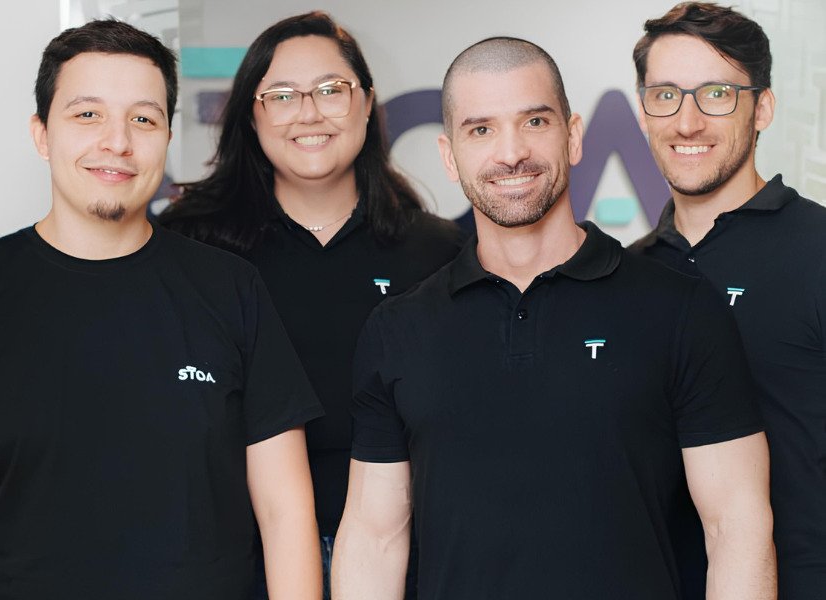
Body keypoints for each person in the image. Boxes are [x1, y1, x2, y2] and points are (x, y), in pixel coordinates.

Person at [332, 36, 776, 600]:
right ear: (449, 155)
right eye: (481, 129)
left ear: (573, 136)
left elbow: (737, 527)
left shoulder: (681, 309)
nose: (511, 152)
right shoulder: (397, 329)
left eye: (535, 121)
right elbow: (374, 539)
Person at [0, 19, 323, 600]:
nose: (117, 142)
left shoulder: (231, 289)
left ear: (167, 138)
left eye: (143, 119)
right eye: (88, 114)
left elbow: (285, 514)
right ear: (42, 134)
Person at [158, 12, 464, 598]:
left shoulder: (437, 250)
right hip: (236, 559)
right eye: (281, 96)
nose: (308, 113)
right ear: (251, 114)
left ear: (367, 102)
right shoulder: (192, 245)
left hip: (405, 558)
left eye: (330, 90)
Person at [630, 3, 826, 598]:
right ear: (643, 111)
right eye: (666, 95)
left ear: (762, 108)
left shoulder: (818, 249)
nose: (687, 122)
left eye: (716, 94)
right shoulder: (626, 275)